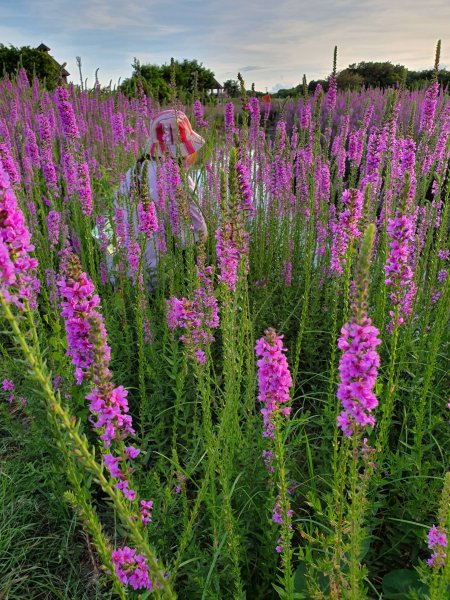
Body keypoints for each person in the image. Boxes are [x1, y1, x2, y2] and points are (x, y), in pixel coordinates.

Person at [103, 109, 208, 286]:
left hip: (115, 273)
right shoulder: (179, 180)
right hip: (152, 279)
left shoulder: (135, 170)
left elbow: (106, 226)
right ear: (186, 152)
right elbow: (197, 233)